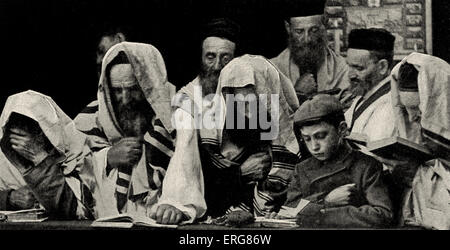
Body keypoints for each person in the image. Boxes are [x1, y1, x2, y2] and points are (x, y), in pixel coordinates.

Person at [168, 54, 300, 218]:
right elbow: (199, 192)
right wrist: (239, 173)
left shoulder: (297, 138)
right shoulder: (209, 136)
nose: (247, 112)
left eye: (254, 102)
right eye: (238, 102)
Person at [74, 42, 192, 224]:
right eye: (117, 91)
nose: (125, 99)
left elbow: (186, 169)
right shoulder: (90, 119)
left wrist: (174, 204)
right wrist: (107, 158)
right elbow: (71, 172)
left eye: (132, 89)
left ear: (149, 86)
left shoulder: (178, 116)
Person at [151, 17, 240, 220]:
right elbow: (185, 151)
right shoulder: (186, 101)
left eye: (226, 58)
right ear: (201, 58)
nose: (217, 66)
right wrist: (176, 203)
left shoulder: (250, 95)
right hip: (210, 200)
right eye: (210, 57)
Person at [268, 94, 394, 228]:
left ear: (342, 129)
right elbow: (290, 210)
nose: (314, 147)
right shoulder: (302, 169)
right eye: (307, 139)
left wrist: (322, 215)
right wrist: (326, 201)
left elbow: (382, 214)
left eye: (321, 136)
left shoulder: (365, 166)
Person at [0, 90, 96, 219]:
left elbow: (82, 209)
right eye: (15, 125)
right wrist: (9, 198)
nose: (23, 133)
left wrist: (40, 159)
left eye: (30, 125)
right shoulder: (3, 156)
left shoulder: (78, 149)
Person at [389, 52, 450, 229]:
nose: (411, 117)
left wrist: (418, 175)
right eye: (405, 108)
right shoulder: (417, 129)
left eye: (418, 108)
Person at [270, 0, 353, 108]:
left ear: (324, 24)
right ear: (288, 28)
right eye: (299, 32)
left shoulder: (342, 70)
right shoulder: (271, 70)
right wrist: (297, 95)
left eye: (314, 30)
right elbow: (267, 118)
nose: (307, 39)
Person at [344, 28, 397, 143]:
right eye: (349, 66)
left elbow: (373, 150)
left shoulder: (390, 104)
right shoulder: (364, 92)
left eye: (359, 68)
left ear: (382, 67)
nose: (351, 75)